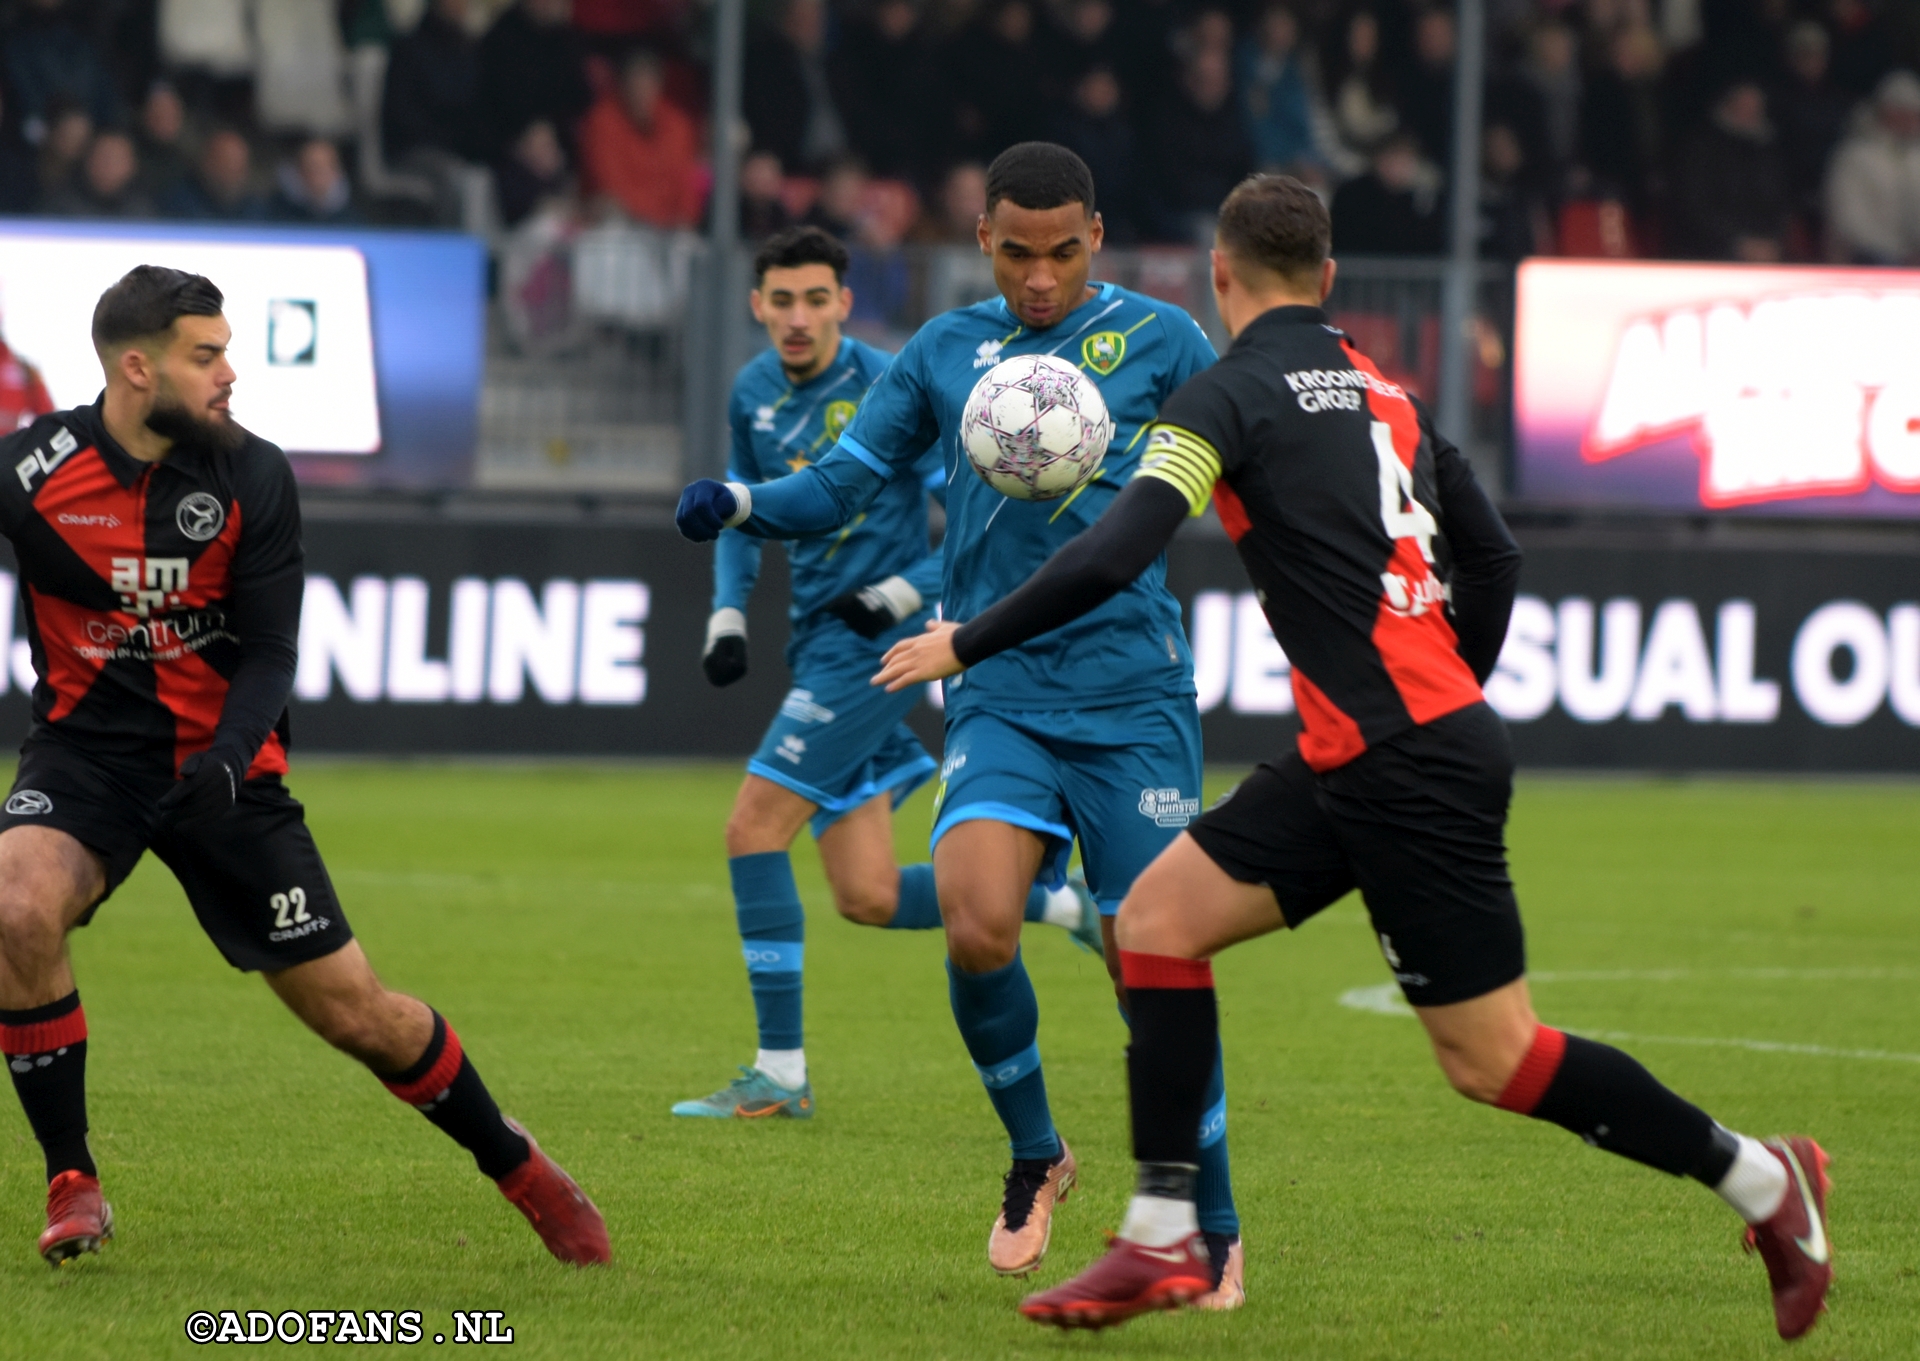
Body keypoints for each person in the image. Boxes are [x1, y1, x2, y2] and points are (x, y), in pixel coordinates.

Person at [872, 173, 1832, 1341]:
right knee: (1157, 921)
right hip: (1378, 749)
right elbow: (1498, 557)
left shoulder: (1218, 402)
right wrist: (1442, 689)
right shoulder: (1393, 394)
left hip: (1405, 764)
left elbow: (1119, 553)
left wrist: (964, 639)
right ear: (1328, 279)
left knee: (1494, 1058)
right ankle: (1166, 1232)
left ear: (1219, 276)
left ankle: (1769, 1184)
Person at [675, 144, 1248, 1305]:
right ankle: (1038, 1154)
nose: (1043, 277)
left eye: (1066, 251)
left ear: (1099, 233)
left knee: (1157, 962)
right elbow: (839, 482)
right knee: (979, 921)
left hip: (1133, 693)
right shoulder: (944, 351)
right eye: (1019, 253)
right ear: (983, 238)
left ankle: (1214, 1224)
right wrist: (742, 501)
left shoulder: (1166, 341)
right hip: (995, 685)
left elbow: (1254, 472)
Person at [0, 266, 610, 1267]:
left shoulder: (252, 474)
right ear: (138, 367)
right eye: (207, 356)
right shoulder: (34, 469)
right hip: (85, 762)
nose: (230, 373)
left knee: (359, 1015)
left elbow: (273, 652)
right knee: (16, 903)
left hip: (225, 776)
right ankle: (73, 1179)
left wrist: (233, 759)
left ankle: (520, 1166)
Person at [674, 225, 1099, 1120]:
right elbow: (744, 520)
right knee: (865, 894)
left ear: (844, 302)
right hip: (817, 639)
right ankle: (1060, 907)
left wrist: (908, 593)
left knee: (752, 827)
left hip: (877, 653)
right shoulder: (751, 391)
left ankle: (780, 1074)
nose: (797, 318)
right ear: (757, 306)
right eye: (781, 301)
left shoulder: (890, 383)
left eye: (815, 298)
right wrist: (724, 613)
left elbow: (988, 521)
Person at [579, 48, 704, 229]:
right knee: (608, 208)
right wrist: (653, 217)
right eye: (635, 83)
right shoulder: (602, 122)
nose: (641, 92)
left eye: (648, 83)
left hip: (670, 228)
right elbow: (611, 185)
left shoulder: (678, 125)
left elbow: (685, 183)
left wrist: (683, 220)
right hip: (622, 225)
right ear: (622, 85)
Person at [1825, 69, 1920, 265]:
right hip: (1870, 259)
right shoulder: (1855, 157)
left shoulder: (1915, 157)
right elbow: (1849, 219)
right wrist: (1897, 253)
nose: (1910, 119)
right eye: (1903, 111)